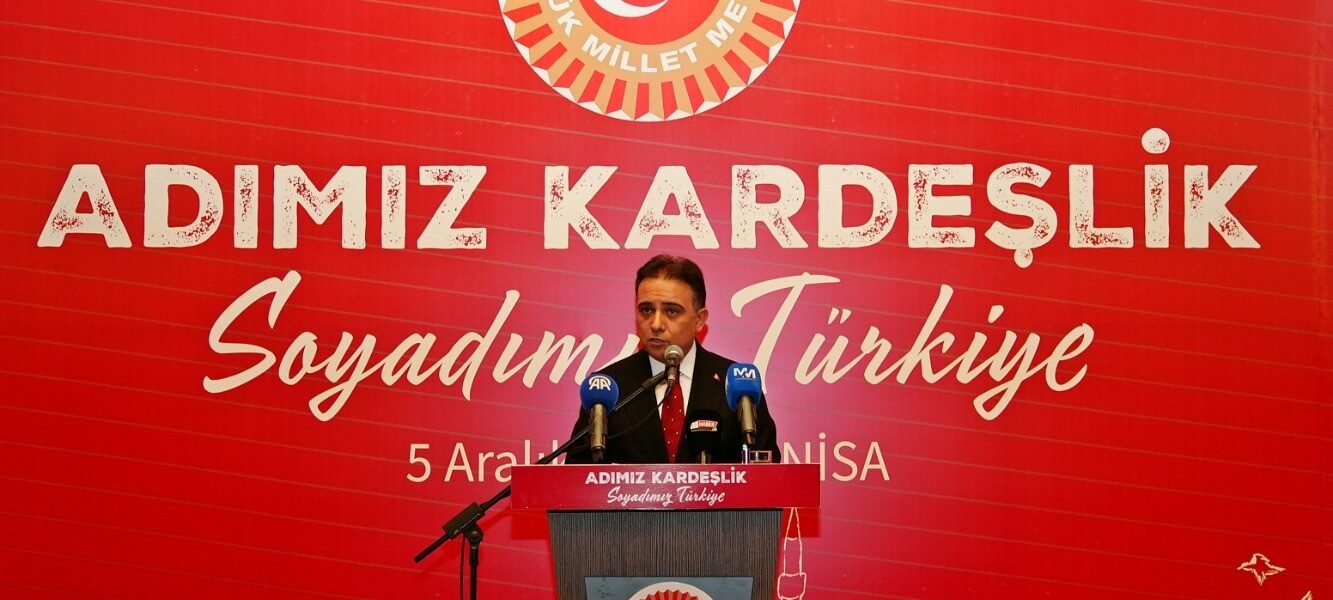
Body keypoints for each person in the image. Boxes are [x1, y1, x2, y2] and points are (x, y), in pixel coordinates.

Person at [566, 255, 779, 464]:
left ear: (700, 319)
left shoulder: (737, 386)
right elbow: (576, 478)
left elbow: (769, 475)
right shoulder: (608, 389)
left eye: (671, 311)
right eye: (646, 310)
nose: (656, 324)